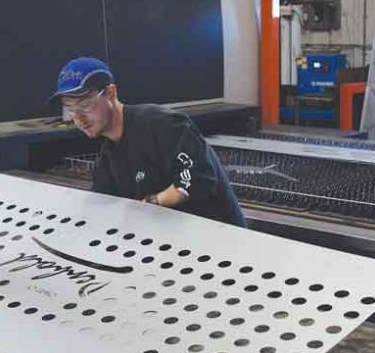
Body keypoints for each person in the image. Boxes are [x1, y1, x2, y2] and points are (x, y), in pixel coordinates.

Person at [48, 56, 247, 228]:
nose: (79, 117)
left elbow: (197, 179)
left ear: (110, 93)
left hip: (218, 244)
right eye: (70, 108)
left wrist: (152, 203)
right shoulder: (109, 158)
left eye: (85, 104)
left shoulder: (162, 124)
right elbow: (99, 204)